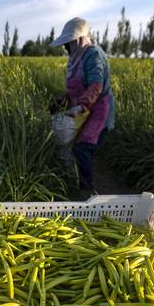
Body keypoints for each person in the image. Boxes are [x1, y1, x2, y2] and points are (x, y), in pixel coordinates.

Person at [49, 17, 115, 194]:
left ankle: (87, 192)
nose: (66, 48)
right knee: (73, 146)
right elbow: (74, 89)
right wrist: (61, 101)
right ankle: (77, 182)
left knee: (83, 147)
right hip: (85, 110)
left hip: (100, 110)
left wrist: (81, 106)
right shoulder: (75, 59)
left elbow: (96, 85)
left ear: (79, 39)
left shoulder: (93, 54)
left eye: (69, 43)